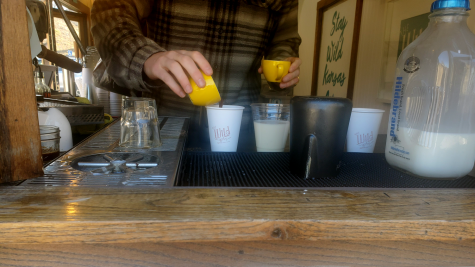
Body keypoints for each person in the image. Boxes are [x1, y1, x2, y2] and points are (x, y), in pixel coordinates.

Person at [91, 0, 301, 134]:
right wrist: (145, 57)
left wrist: (283, 69)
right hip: (160, 127)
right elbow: (110, 12)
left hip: (243, 130)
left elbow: (283, 43)